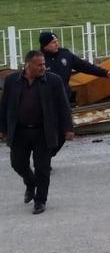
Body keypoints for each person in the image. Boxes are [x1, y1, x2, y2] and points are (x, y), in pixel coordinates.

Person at [0, 51, 73, 214]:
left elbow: (63, 105)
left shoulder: (53, 81)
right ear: (28, 65)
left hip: (43, 132)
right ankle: (30, 182)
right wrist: (3, 129)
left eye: (44, 64)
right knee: (17, 163)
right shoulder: (12, 81)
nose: (43, 67)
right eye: (39, 65)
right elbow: (4, 106)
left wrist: (68, 128)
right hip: (20, 131)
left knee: (42, 168)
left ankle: (40, 200)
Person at [39, 31, 110, 102]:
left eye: (57, 41)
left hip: (64, 97)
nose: (57, 44)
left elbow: (85, 66)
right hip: (45, 99)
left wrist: (105, 73)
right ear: (45, 45)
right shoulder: (38, 59)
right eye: (53, 42)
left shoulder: (65, 54)